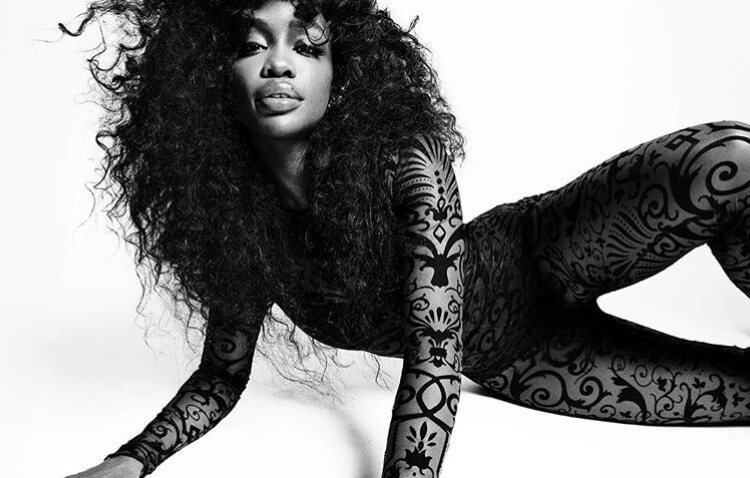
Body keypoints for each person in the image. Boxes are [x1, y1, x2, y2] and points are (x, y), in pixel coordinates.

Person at [60, 0, 750, 477]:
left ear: (341, 72)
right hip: (526, 359)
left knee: (728, 159)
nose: (279, 64)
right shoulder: (240, 225)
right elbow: (220, 376)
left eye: (307, 45)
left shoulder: (406, 160)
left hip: (547, 250)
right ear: (210, 78)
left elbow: (433, 356)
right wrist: (131, 460)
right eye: (251, 45)